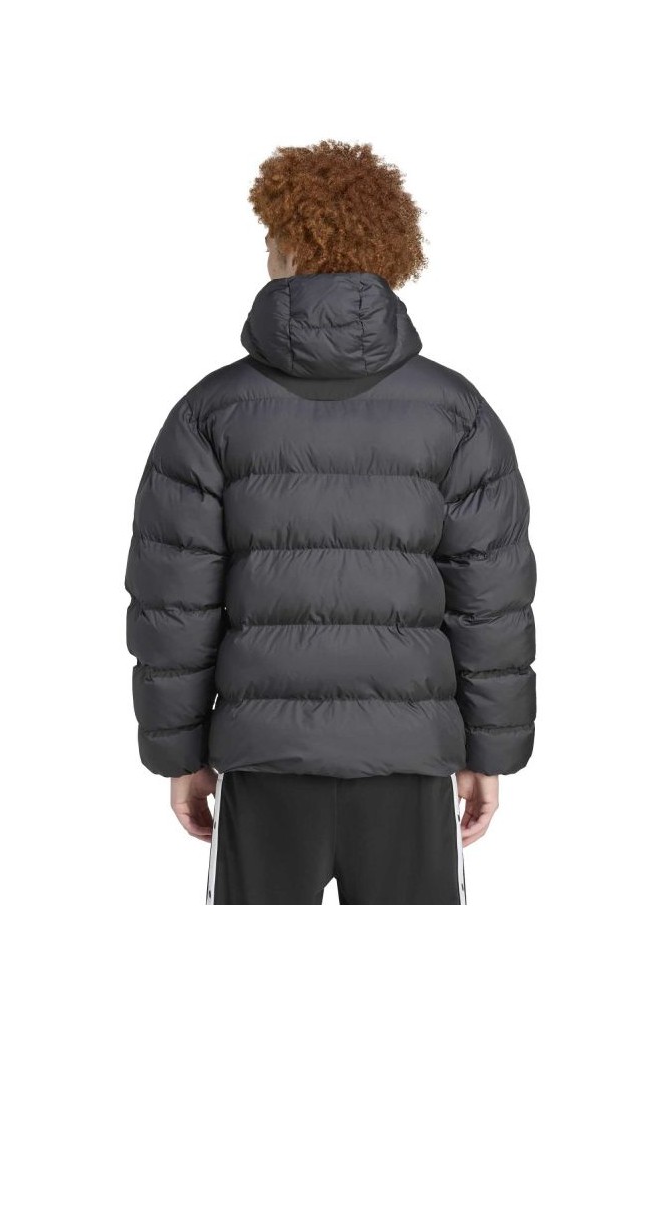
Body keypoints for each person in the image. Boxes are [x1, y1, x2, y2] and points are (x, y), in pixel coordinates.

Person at [125, 140, 537, 904]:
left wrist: (179, 754)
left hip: (264, 762)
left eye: (270, 238)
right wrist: (490, 750)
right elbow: (492, 601)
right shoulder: (457, 413)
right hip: (410, 763)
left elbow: (173, 603)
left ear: (292, 246)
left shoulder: (209, 413)